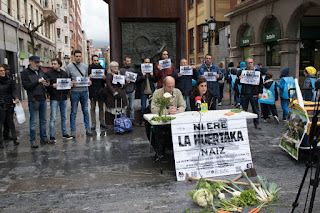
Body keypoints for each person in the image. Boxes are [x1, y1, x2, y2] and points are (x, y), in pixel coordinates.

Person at [21, 56, 49, 148]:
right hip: (33, 99)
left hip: (42, 98)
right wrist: (37, 81)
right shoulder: (25, 73)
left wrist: (46, 83)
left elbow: (45, 81)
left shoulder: (40, 71)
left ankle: (43, 137)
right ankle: (33, 140)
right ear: (30, 62)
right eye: (36, 62)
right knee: (33, 121)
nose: (37, 64)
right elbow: (26, 86)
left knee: (43, 120)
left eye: (38, 62)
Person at [66, 50, 94, 138]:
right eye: (76, 56)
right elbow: (66, 79)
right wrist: (71, 83)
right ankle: (73, 130)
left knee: (85, 110)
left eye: (79, 56)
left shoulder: (85, 67)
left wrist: (89, 81)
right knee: (73, 111)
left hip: (84, 91)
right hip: (74, 92)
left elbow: (86, 77)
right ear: (74, 57)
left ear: (81, 56)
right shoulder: (69, 67)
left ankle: (87, 128)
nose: (78, 58)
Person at [45, 58, 73, 143]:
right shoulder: (49, 74)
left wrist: (69, 86)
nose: (53, 65)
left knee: (64, 117)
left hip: (63, 97)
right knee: (53, 117)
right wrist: (51, 86)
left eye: (55, 64)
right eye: (52, 63)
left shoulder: (64, 73)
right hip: (54, 97)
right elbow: (46, 85)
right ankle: (52, 135)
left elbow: (67, 84)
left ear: (59, 65)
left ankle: (64, 133)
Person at [238, 58, 263, 129]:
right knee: (244, 109)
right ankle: (243, 124)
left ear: (253, 63)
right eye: (248, 63)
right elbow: (238, 83)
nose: (250, 64)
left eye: (251, 62)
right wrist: (239, 78)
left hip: (254, 93)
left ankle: (256, 123)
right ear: (246, 64)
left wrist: (260, 92)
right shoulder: (242, 71)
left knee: (255, 109)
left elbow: (261, 83)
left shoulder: (257, 71)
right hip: (245, 93)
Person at [0, 64, 19, 148]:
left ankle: (14, 138)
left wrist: (16, 98)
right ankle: (0, 140)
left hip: (9, 103)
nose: (3, 72)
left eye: (3, 70)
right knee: (1, 122)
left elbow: (13, 91)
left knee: (10, 121)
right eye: (1, 71)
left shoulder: (10, 80)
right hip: (1, 104)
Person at [88, 55, 107, 132]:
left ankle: (102, 123)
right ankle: (93, 124)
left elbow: (105, 81)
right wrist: (89, 77)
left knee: (101, 108)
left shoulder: (102, 69)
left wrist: (104, 78)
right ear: (92, 60)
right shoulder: (89, 69)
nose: (96, 62)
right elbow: (86, 79)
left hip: (100, 91)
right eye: (94, 60)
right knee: (92, 108)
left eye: (97, 60)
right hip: (92, 91)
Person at [120, 56, 139, 126]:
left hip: (131, 90)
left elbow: (135, 81)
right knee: (124, 107)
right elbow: (119, 80)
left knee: (131, 107)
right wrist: (125, 81)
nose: (129, 63)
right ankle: (124, 121)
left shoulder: (133, 70)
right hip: (124, 91)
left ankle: (132, 120)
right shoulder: (121, 70)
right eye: (127, 61)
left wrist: (134, 89)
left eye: (130, 61)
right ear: (124, 61)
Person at [136, 57, 155, 127]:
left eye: (148, 62)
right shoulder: (139, 71)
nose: (147, 64)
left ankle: (152, 120)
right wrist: (142, 76)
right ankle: (143, 121)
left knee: (152, 106)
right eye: (146, 62)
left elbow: (155, 79)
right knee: (143, 106)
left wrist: (152, 75)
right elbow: (137, 80)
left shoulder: (152, 70)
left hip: (151, 91)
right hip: (143, 91)